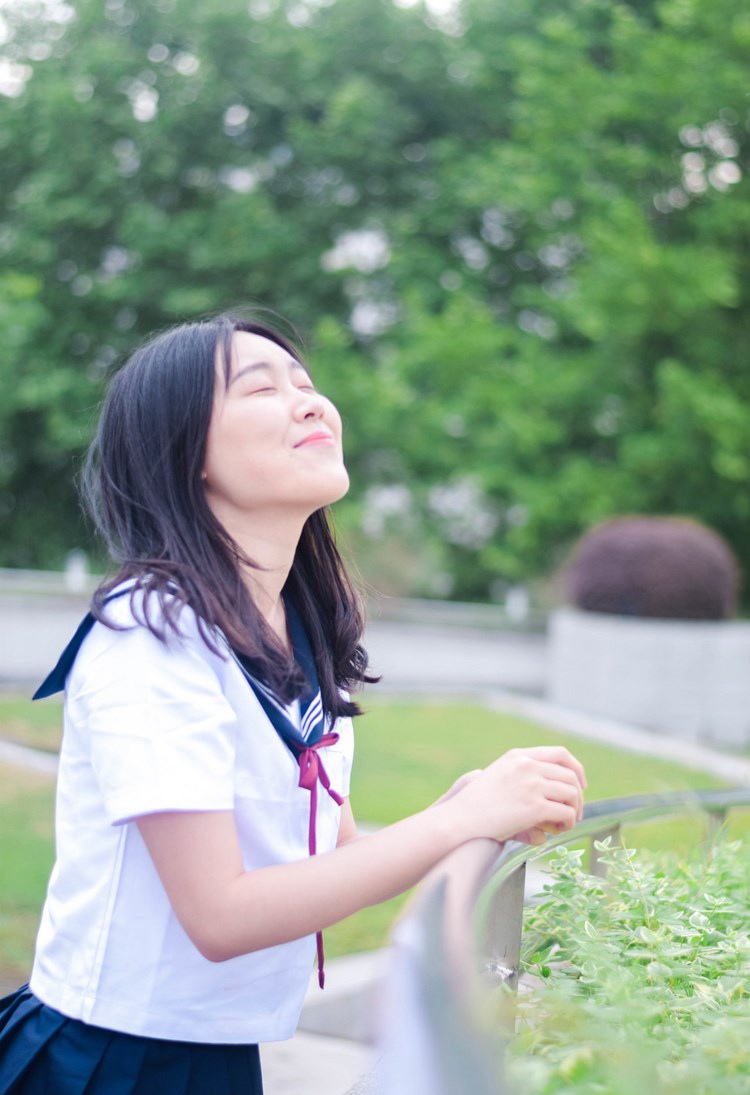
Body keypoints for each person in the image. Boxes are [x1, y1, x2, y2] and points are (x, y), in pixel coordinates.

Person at [0, 312, 586, 1094]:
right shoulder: (153, 632)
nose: (311, 402)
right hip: (112, 1061)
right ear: (187, 453)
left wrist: (468, 807)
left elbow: (331, 864)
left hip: (214, 1055)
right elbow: (222, 915)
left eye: (307, 383)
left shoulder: (296, 629)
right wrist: (456, 821)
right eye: (262, 387)